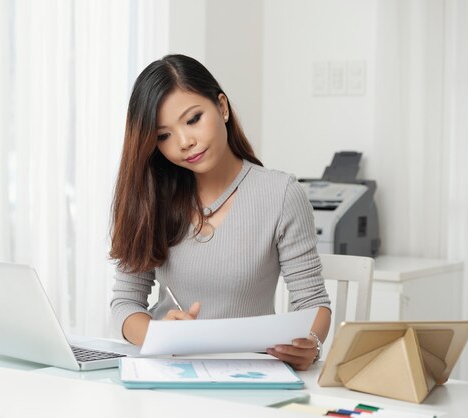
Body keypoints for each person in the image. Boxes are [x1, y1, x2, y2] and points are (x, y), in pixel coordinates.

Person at [109, 54, 331, 371]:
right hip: (167, 372)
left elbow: (313, 303)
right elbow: (125, 303)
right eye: (163, 136)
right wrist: (160, 334)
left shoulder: (280, 194)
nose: (185, 142)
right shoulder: (151, 197)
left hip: (251, 373)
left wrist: (311, 342)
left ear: (222, 107)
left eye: (193, 119)